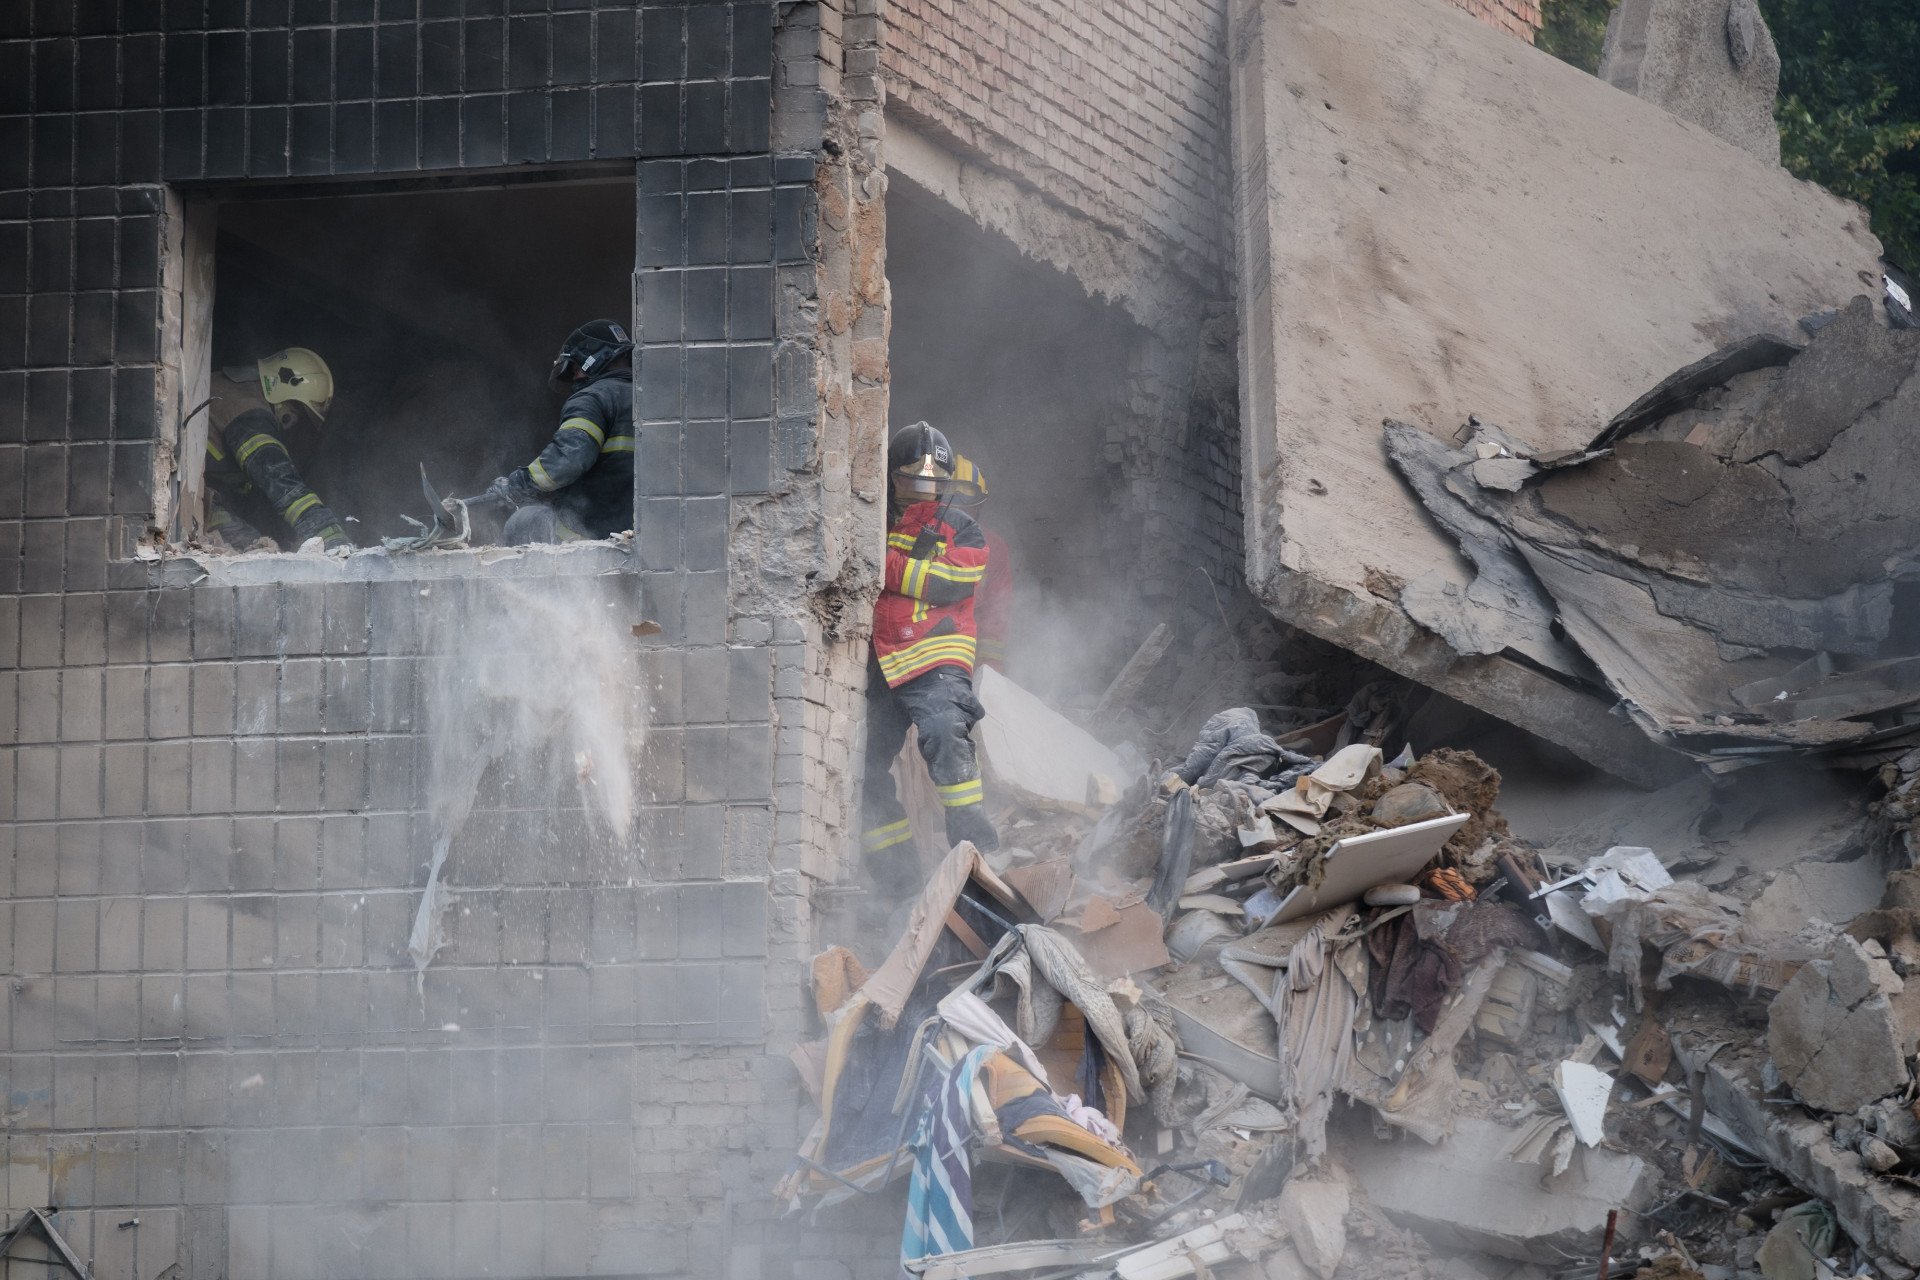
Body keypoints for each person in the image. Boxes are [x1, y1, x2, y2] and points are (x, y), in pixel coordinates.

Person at [860, 423, 1001, 893]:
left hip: (935, 661)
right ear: (891, 479)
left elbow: (947, 583)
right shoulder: (870, 521)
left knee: (944, 731)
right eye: (910, 480)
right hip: (881, 667)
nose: (922, 491)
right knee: (861, 772)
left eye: (932, 482)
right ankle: (899, 885)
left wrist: (880, 563)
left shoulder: (963, 529)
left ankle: (973, 852)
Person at [482, 319, 636, 544]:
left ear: (590, 361)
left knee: (524, 521)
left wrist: (517, 484)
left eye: (574, 368)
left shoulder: (592, 399)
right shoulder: (649, 399)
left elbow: (568, 459)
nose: (575, 376)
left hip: (592, 531)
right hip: (637, 531)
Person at [202, 347, 351, 552]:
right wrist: (329, 534)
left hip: (202, 498)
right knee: (253, 551)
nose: (294, 431)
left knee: (256, 546)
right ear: (286, 401)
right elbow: (278, 478)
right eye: (299, 415)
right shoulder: (247, 411)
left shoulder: (238, 392)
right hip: (192, 503)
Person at [949, 454, 1012, 674]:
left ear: (978, 507)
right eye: (953, 502)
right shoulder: (917, 536)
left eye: (967, 506)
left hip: (969, 658)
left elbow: (996, 612)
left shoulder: (994, 548)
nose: (959, 512)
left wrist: (989, 672)